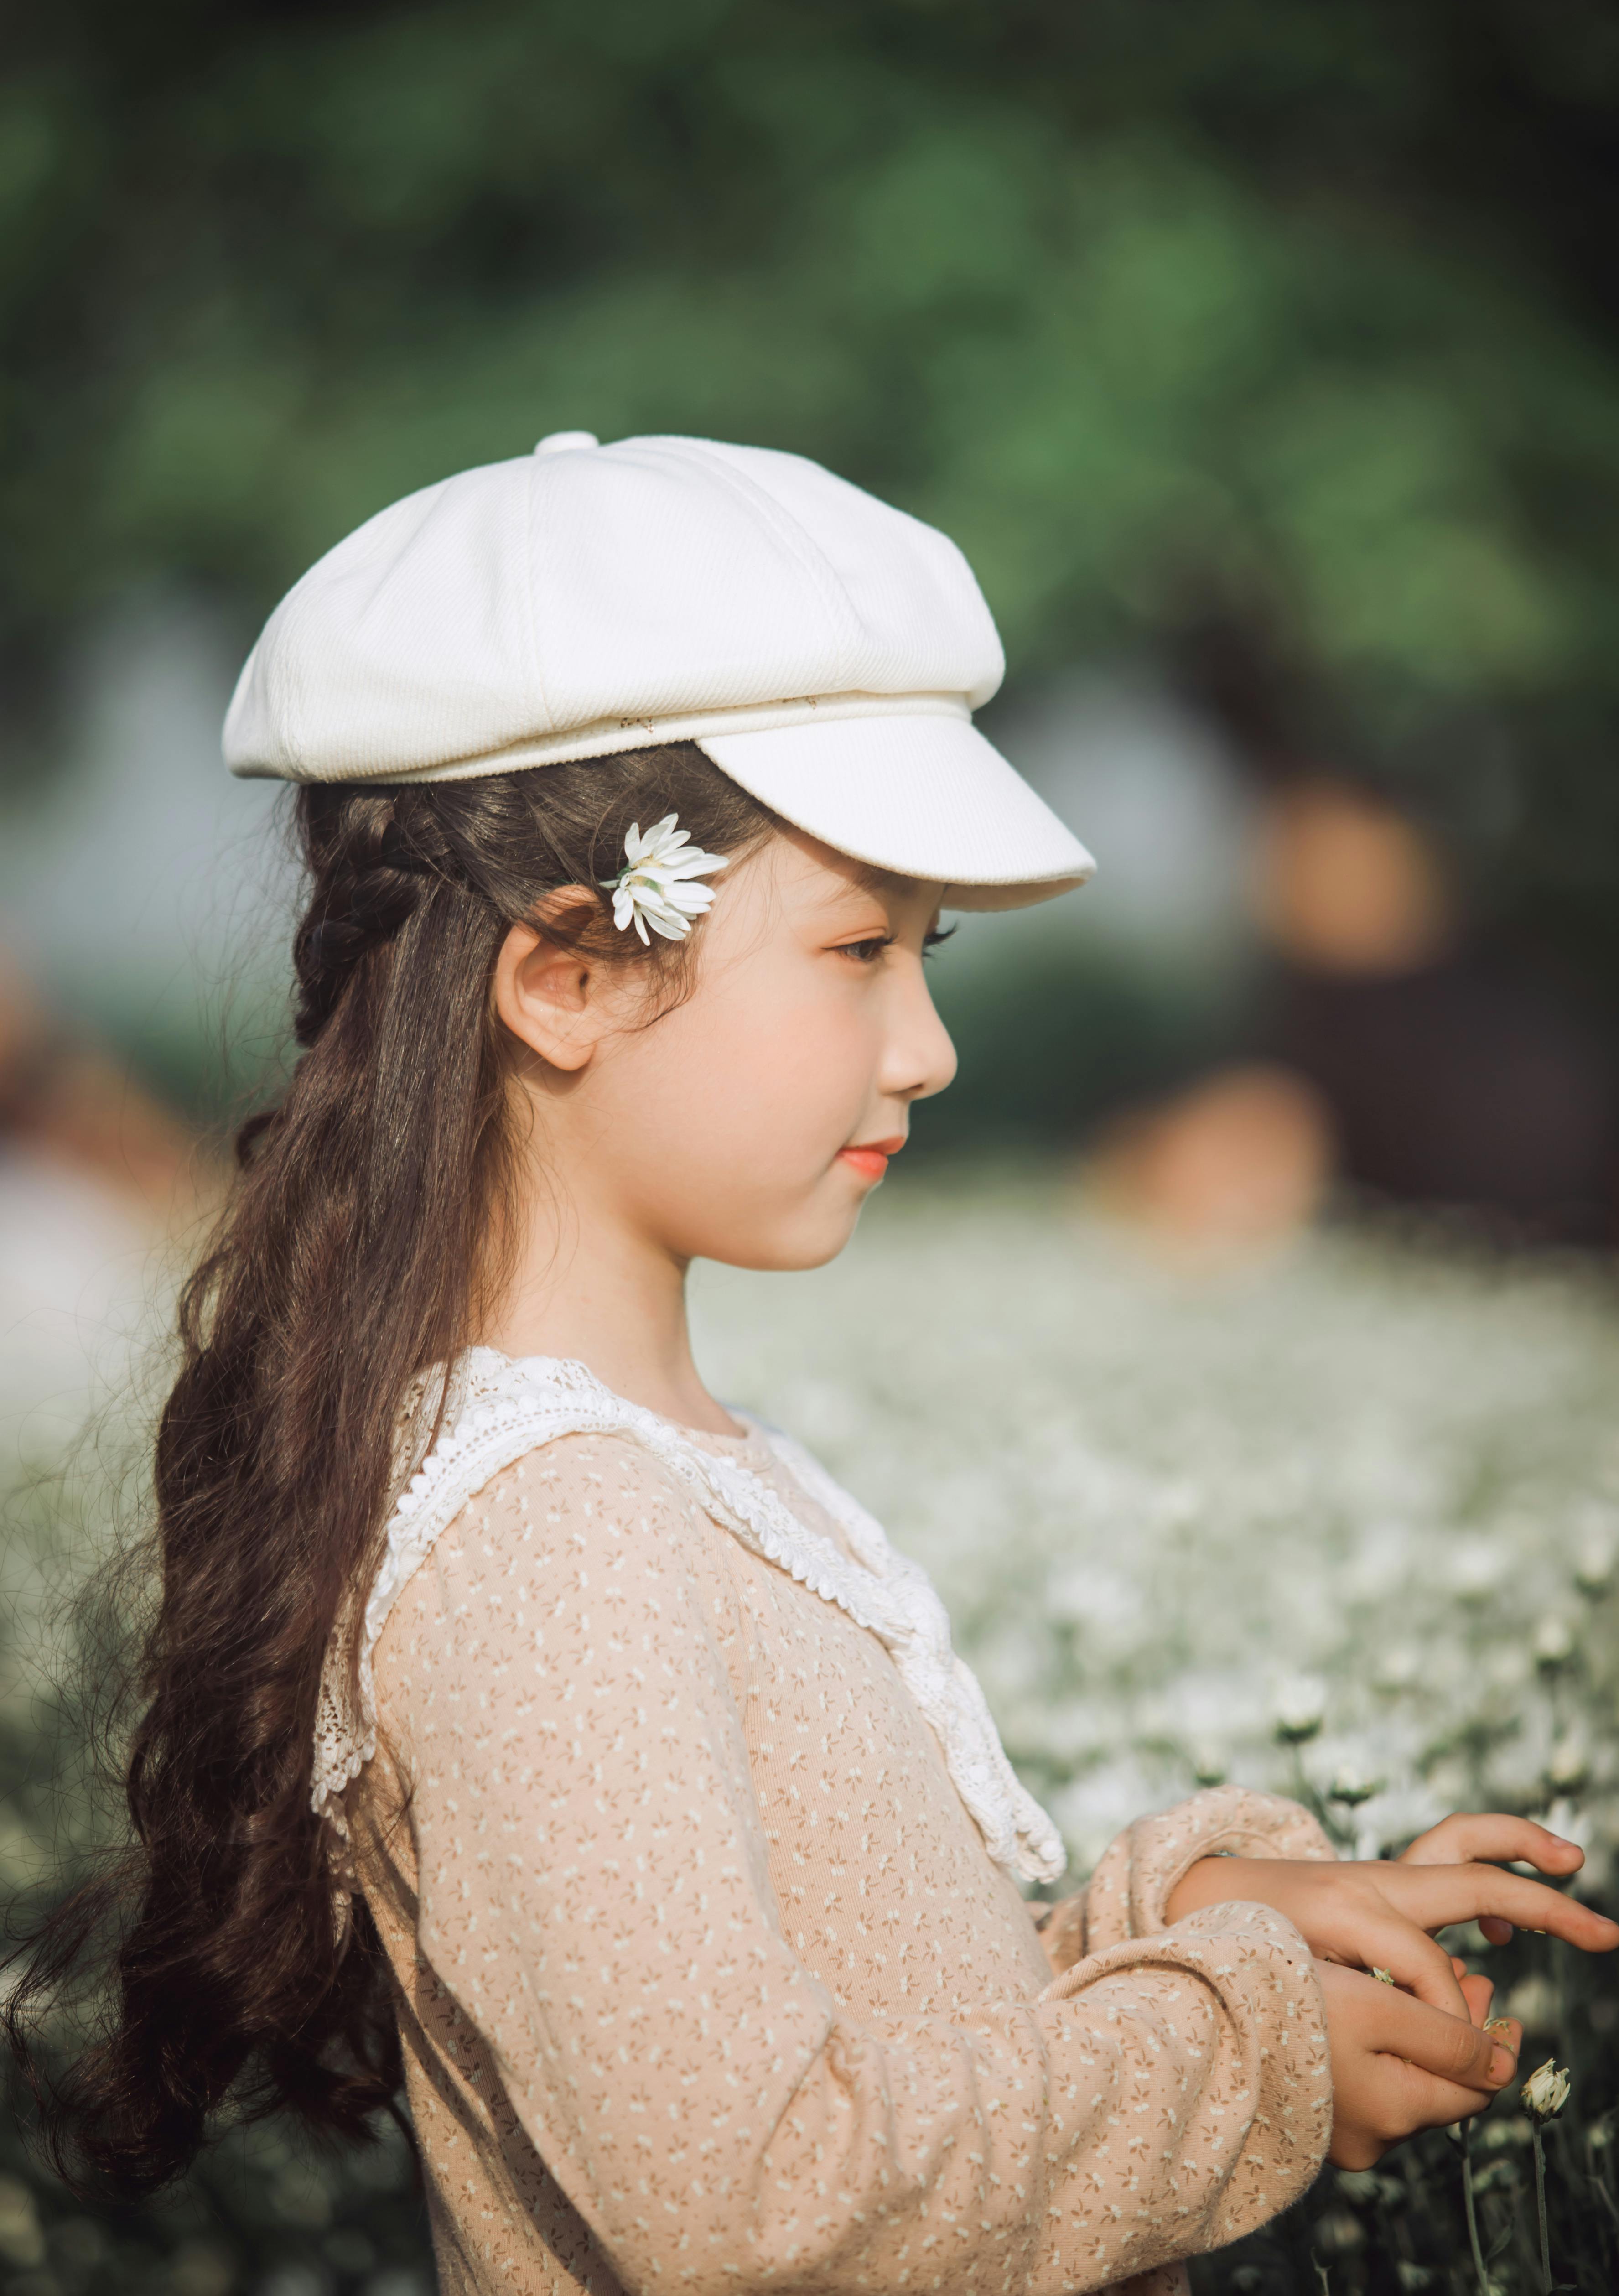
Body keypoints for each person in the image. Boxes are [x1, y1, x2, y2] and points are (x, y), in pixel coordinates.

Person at [9, 433, 1615, 2296]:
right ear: (565, 977)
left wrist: (1160, 1931)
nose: (928, 1046)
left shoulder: (655, 1465)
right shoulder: (553, 1547)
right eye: (861, 949)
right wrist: (1234, 2051)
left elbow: (828, 2047)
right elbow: (747, 2199)